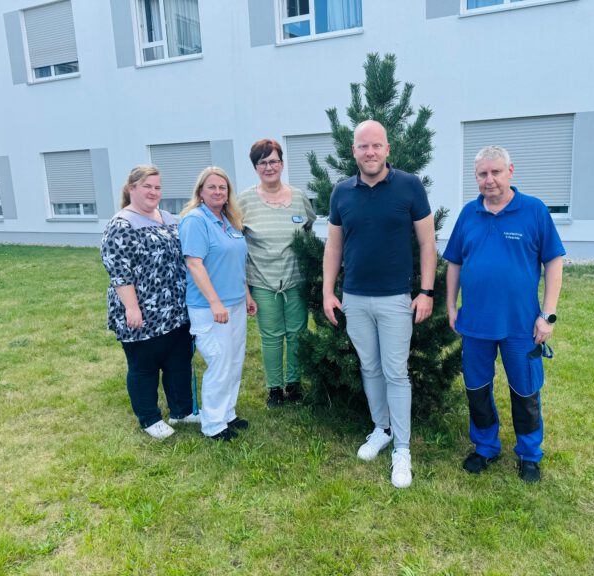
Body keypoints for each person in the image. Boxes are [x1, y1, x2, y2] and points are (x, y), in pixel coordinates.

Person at [323, 120, 436, 489]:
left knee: (395, 371)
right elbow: (334, 247)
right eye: (362, 147)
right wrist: (328, 291)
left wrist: (427, 291)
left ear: (388, 149)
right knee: (369, 367)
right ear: (353, 151)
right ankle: (381, 429)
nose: (370, 153)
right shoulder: (341, 192)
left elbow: (427, 244)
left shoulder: (409, 186)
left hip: (395, 299)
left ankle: (402, 449)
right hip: (354, 298)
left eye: (376, 146)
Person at [444, 145, 565, 483]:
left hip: (520, 325)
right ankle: (485, 447)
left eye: (496, 172)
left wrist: (548, 314)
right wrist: (451, 305)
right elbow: (454, 262)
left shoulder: (534, 211)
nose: (490, 179)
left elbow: (554, 261)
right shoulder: (469, 214)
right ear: (476, 177)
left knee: (525, 391)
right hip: (477, 324)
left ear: (511, 171)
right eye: (483, 173)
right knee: (477, 388)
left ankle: (529, 453)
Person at [100, 165, 198, 439]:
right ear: (132, 189)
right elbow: (118, 271)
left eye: (157, 187)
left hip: (176, 310)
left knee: (178, 362)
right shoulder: (121, 225)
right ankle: (149, 418)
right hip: (142, 311)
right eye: (147, 186)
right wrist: (132, 308)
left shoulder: (169, 218)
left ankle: (182, 410)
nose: (154, 192)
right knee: (144, 367)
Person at [178, 167, 257, 442]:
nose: (218, 192)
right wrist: (215, 302)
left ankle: (228, 413)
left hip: (235, 303)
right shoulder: (195, 221)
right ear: (200, 191)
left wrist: (246, 295)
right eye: (211, 187)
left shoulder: (229, 220)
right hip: (210, 307)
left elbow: (236, 262)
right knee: (219, 362)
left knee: (234, 361)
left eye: (222, 188)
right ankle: (212, 424)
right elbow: (194, 264)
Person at [237, 139, 316, 408]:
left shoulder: (299, 197)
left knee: (297, 333)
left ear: (282, 164)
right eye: (262, 162)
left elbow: (308, 234)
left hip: (295, 280)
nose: (269, 167)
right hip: (262, 280)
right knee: (271, 337)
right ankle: (274, 389)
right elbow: (236, 245)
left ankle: (294, 385)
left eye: (273, 161)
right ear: (255, 167)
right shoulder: (244, 201)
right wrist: (246, 289)